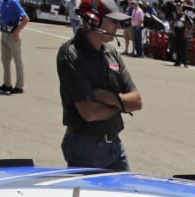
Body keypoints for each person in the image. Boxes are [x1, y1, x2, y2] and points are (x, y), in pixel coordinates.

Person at [57, 0, 142, 170]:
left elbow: (137, 101)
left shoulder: (111, 53)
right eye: (112, 21)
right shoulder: (71, 55)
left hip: (115, 144)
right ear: (93, 20)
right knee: (88, 196)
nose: (117, 26)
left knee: (124, 194)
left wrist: (110, 99)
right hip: (85, 146)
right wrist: (122, 105)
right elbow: (89, 113)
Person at [0, 0, 27, 94]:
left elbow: (25, 19)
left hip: (12, 35)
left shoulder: (13, 2)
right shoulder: (2, 2)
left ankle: (19, 86)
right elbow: (2, 16)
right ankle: (7, 84)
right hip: (4, 33)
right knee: (5, 60)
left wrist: (17, 32)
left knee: (17, 61)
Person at [169, 1, 187, 67]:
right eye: (177, 7)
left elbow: (190, 24)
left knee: (183, 48)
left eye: (179, 7)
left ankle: (185, 63)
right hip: (176, 33)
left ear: (182, 8)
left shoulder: (185, 15)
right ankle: (177, 62)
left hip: (183, 33)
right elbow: (170, 23)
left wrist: (186, 31)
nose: (178, 9)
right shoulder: (174, 15)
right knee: (177, 48)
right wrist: (172, 30)